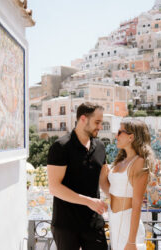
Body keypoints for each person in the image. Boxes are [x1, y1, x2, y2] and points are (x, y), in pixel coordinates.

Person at [47, 102, 108, 250]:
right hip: (66, 225)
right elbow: (54, 187)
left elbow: (104, 181)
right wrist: (88, 201)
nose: (100, 127)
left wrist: (122, 201)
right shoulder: (60, 147)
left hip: (94, 224)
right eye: (97, 122)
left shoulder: (100, 146)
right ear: (83, 119)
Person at [100, 119, 155, 250]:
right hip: (115, 220)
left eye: (120, 132)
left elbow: (137, 204)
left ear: (131, 137)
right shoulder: (120, 162)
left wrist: (131, 241)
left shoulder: (139, 162)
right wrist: (102, 176)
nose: (116, 136)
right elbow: (112, 193)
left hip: (128, 224)